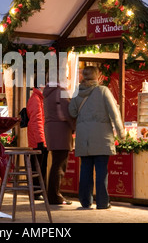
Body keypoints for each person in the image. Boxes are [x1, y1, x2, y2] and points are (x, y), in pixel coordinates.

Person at [68, 66, 125, 209]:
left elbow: (72, 112)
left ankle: (85, 202)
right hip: (101, 136)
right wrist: (121, 133)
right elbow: (114, 113)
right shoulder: (103, 90)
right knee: (101, 170)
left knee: (86, 169)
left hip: (84, 138)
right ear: (97, 76)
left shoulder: (77, 93)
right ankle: (102, 202)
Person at [43, 81, 75, 205]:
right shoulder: (60, 92)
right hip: (60, 131)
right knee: (59, 164)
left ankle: (53, 195)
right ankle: (55, 196)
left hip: (51, 130)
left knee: (56, 163)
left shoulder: (48, 92)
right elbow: (65, 113)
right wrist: (74, 126)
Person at [26, 80, 48, 199]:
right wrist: (41, 140)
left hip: (39, 139)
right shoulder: (36, 99)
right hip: (37, 141)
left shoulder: (39, 98)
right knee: (37, 168)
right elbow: (36, 121)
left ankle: (38, 192)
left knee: (40, 167)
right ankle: (36, 193)